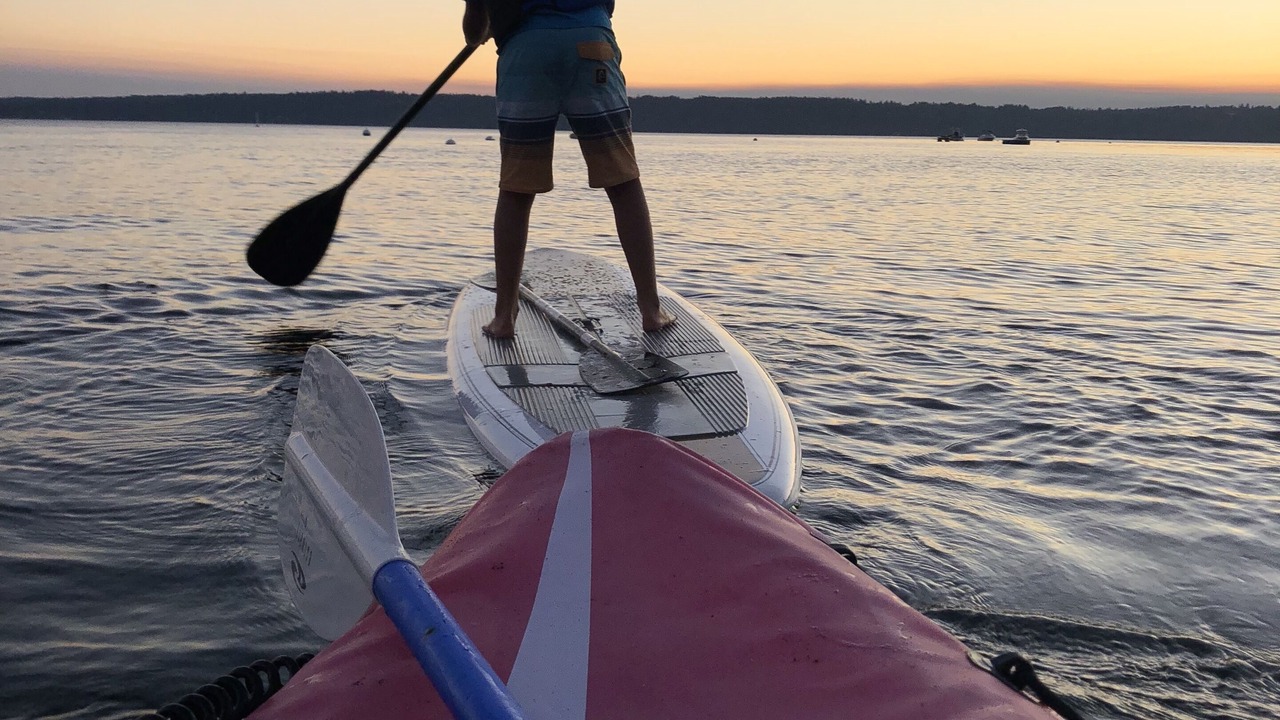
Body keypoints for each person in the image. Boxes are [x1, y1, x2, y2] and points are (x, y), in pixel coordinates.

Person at [462, 0, 675, 338]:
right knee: (623, 182)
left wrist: (489, 22)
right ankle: (650, 309)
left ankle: (504, 317)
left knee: (516, 189)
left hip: (527, 54)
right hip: (591, 46)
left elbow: (474, 33)